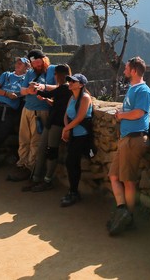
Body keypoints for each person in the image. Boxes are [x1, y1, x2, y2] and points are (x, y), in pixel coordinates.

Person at [107, 57, 150, 236]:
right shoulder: (133, 89)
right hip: (126, 139)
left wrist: (121, 116)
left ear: (134, 70)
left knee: (128, 181)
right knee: (113, 175)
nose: (124, 70)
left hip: (134, 139)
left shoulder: (143, 90)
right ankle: (122, 211)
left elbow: (139, 113)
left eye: (126, 68)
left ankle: (129, 218)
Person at [8, 49, 56, 182]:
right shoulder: (30, 73)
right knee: (23, 139)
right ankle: (21, 163)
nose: (37, 65)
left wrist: (43, 86)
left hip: (41, 111)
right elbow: (22, 91)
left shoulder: (53, 70)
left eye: (39, 62)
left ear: (44, 59)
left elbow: (61, 86)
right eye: (34, 63)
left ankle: (31, 168)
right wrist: (29, 90)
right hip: (27, 109)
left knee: (36, 141)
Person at [24, 64, 72, 192]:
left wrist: (36, 89)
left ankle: (47, 180)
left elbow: (49, 93)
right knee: (42, 149)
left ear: (60, 75)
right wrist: (45, 98)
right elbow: (55, 102)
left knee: (51, 151)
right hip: (51, 121)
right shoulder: (63, 88)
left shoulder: (66, 88)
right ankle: (36, 178)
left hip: (57, 123)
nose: (54, 76)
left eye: (56, 74)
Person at [0, 56, 30, 169]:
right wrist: (7, 94)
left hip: (10, 109)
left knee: (3, 132)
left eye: (20, 63)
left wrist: (15, 94)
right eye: (17, 62)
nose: (17, 64)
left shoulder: (26, 80)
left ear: (26, 68)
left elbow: (24, 92)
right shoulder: (6, 75)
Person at [60, 73, 93, 207]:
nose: (70, 83)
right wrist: (67, 128)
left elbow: (80, 118)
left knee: (71, 162)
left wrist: (65, 129)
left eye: (73, 81)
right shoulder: (72, 98)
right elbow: (66, 115)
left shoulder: (85, 98)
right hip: (73, 134)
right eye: (69, 81)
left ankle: (74, 192)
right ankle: (73, 191)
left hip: (81, 135)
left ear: (81, 84)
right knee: (71, 162)